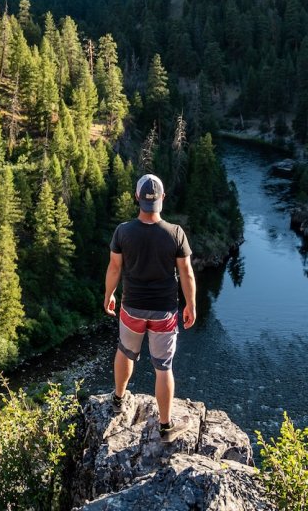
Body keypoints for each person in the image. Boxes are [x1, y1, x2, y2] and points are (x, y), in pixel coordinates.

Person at [103, 173, 196, 439]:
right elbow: (187, 274)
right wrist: (191, 305)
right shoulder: (175, 233)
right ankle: (165, 426)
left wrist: (109, 294)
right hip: (164, 312)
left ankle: (119, 399)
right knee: (163, 366)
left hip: (131, 306)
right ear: (162, 199)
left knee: (125, 350)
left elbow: (114, 267)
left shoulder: (123, 231)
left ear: (137, 198)